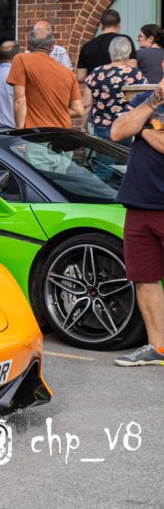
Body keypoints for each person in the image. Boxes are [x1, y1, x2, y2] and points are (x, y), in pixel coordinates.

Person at [109, 75, 164, 366]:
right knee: (145, 277)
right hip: (139, 202)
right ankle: (158, 347)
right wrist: (152, 103)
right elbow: (118, 132)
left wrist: (142, 130)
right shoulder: (149, 101)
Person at [83, 37, 146, 180]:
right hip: (127, 127)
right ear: (129, 52)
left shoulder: (96, 72)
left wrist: (83, 126)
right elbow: (143, 101)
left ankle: (98, 199)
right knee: (126, 171)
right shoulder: (135, 73)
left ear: (111, 51)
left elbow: (87, 103)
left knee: (102, 170)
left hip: (103, 128)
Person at [7, 29, 84, 129]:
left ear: (28, 45)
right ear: (52, 47)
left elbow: (19, 100)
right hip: (63, 133)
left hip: (35, 134)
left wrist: (19, 131)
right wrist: (54, 114)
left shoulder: (21, 59)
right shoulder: (68, 73)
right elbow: (79, 110)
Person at [77, 9, 135, 83]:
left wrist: (98, 78)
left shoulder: (87, 46)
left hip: (95, 92)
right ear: (119, 24)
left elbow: (80, 77)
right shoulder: (125, 41)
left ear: (101, 25)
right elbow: (132, 66)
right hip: (120, 90)